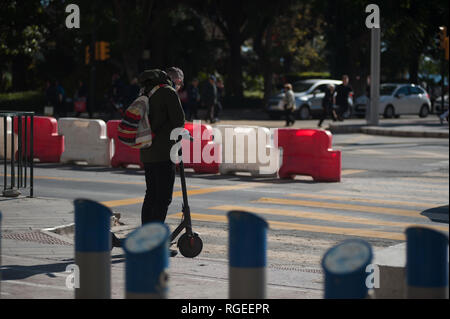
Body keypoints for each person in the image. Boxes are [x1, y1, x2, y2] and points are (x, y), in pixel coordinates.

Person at [140, 67, 185, 257]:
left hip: (147, 152)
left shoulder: (146, 91)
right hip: (163, 153)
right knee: (163, 198)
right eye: (180, 83)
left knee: (151, 195)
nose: (179, 87)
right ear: (175, 80)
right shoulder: (168, 92)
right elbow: (179, 121)